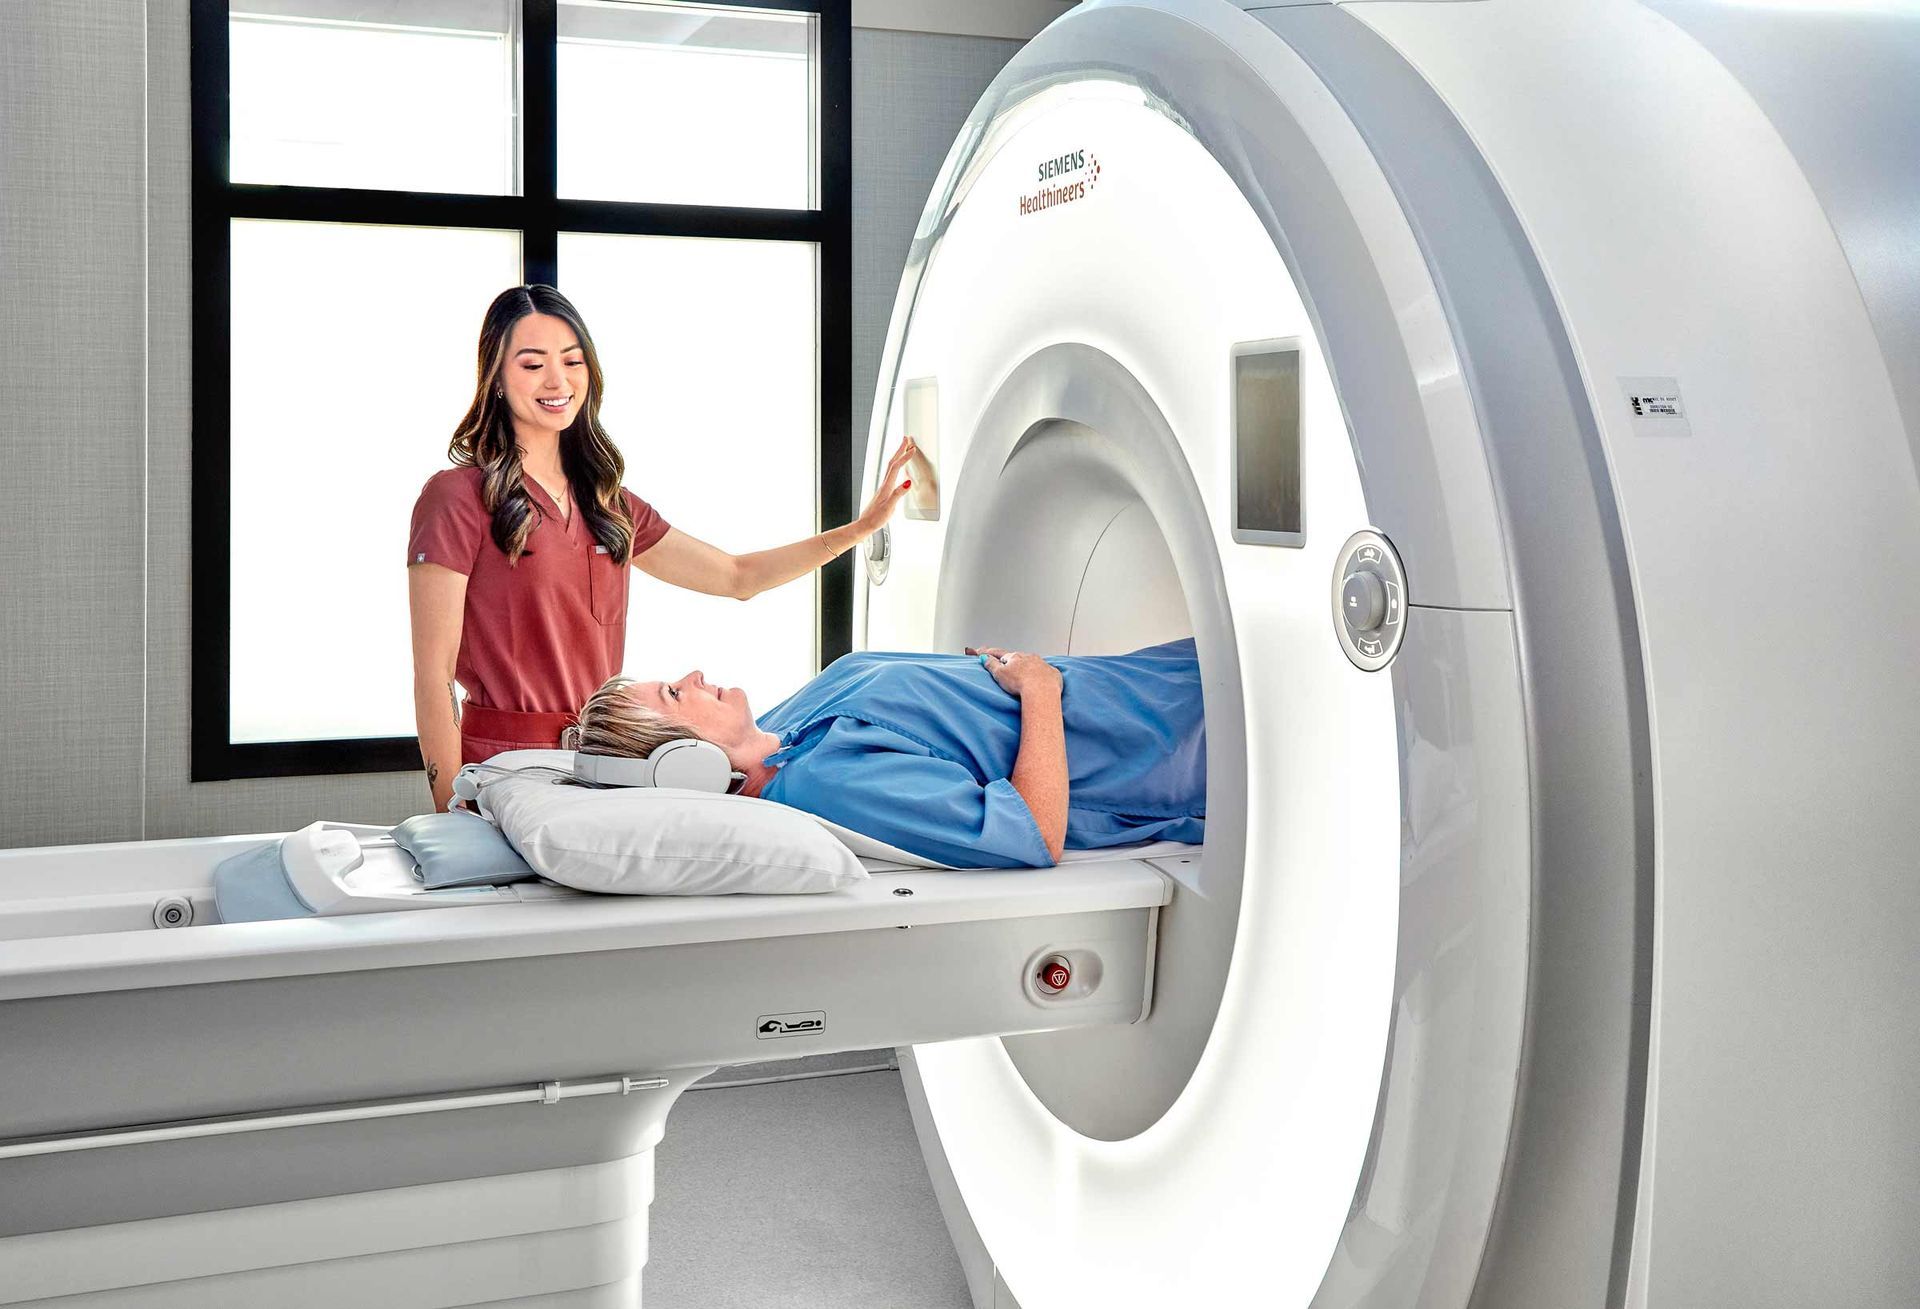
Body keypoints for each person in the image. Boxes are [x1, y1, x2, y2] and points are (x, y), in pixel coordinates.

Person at [408, 284, 917, 812]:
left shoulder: (610, 505)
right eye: (532, 364)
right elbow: (433, 674)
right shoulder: (456, 498)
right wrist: (450, 805)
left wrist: (859, 529)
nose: (557, 381)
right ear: (496, 376)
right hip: (499, 765)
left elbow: (735, 576)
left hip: (604, 764)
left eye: (572, 361)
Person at [566, 639, 1206, 869]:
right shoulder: (827, 787)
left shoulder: (785, 731)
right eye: (676, 693)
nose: (696, 672)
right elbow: (1035, 834)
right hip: (1164, 744)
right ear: (689, 766)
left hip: (1141, 682)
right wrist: (1037, 689)